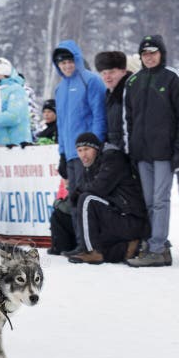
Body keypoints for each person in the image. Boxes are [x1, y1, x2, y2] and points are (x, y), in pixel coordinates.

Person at [124, 34, 179, 267]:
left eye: (153, 53)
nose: (149, 57)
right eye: (145, 54)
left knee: (160, 200)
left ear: (161, 54)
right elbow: (129, 120)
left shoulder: (174, 78)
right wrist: (130, 149)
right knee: (147, 201)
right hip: (142, 153)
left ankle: (157, 247)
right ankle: (155, 243)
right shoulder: (133, 81)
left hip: (165, 152)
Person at [52, 41, 107, 255]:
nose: (67, 66)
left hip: (88, 152)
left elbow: (99, 115)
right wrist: (62, 155)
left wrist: (96, 146)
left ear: (77, 59)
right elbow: (61, 123)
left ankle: (92, 244)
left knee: (89, 200)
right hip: (71, 154)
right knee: (74, 200)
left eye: (69, 61)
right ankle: (80, 243)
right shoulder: (60, 87)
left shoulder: (90, 80)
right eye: (62, 63)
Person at [67, 133, 148, 264]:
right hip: (118, 214)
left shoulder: (112, 158)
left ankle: (90, 251)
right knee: (103, 248)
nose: (83, 155)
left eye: (87, 149)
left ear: (96, 148)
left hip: (131, 218)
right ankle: (128, 247)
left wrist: (79, 192)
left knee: (86, 199)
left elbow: (99, 188)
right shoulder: (91, 165)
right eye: (80, 151)